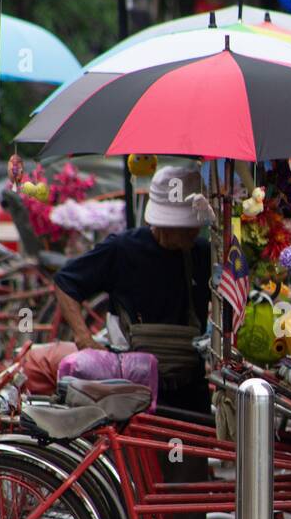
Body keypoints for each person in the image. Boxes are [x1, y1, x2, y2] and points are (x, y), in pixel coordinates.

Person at [52, 165, 212, 414]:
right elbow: (66, 282)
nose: (193, 232)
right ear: (163, 223)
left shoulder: (202, 253)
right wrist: (84, 337)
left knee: (191, 448)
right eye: (186, 227)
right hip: (132, 394)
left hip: (189, 390)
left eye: (194, 226)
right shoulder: (123, 249)